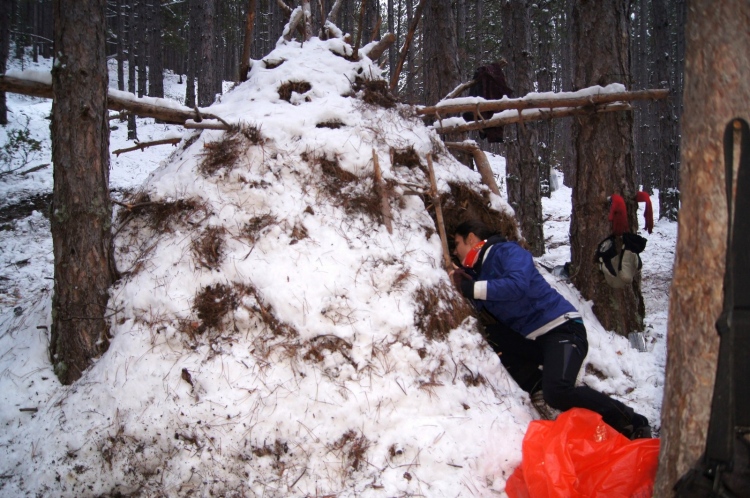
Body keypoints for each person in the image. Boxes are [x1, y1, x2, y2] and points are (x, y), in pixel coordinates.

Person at [450, 219, 652, 439]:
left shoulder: (506, 251)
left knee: (558, 391)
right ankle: (537, 387)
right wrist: (467, 282)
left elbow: (517, 285)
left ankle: (633, 422)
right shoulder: (481, 271)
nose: (455, 250)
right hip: (536, 340)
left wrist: (471, 287)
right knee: (493, 336)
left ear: (471, 238)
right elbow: (485, 301)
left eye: (457, 243)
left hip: (563, 329)